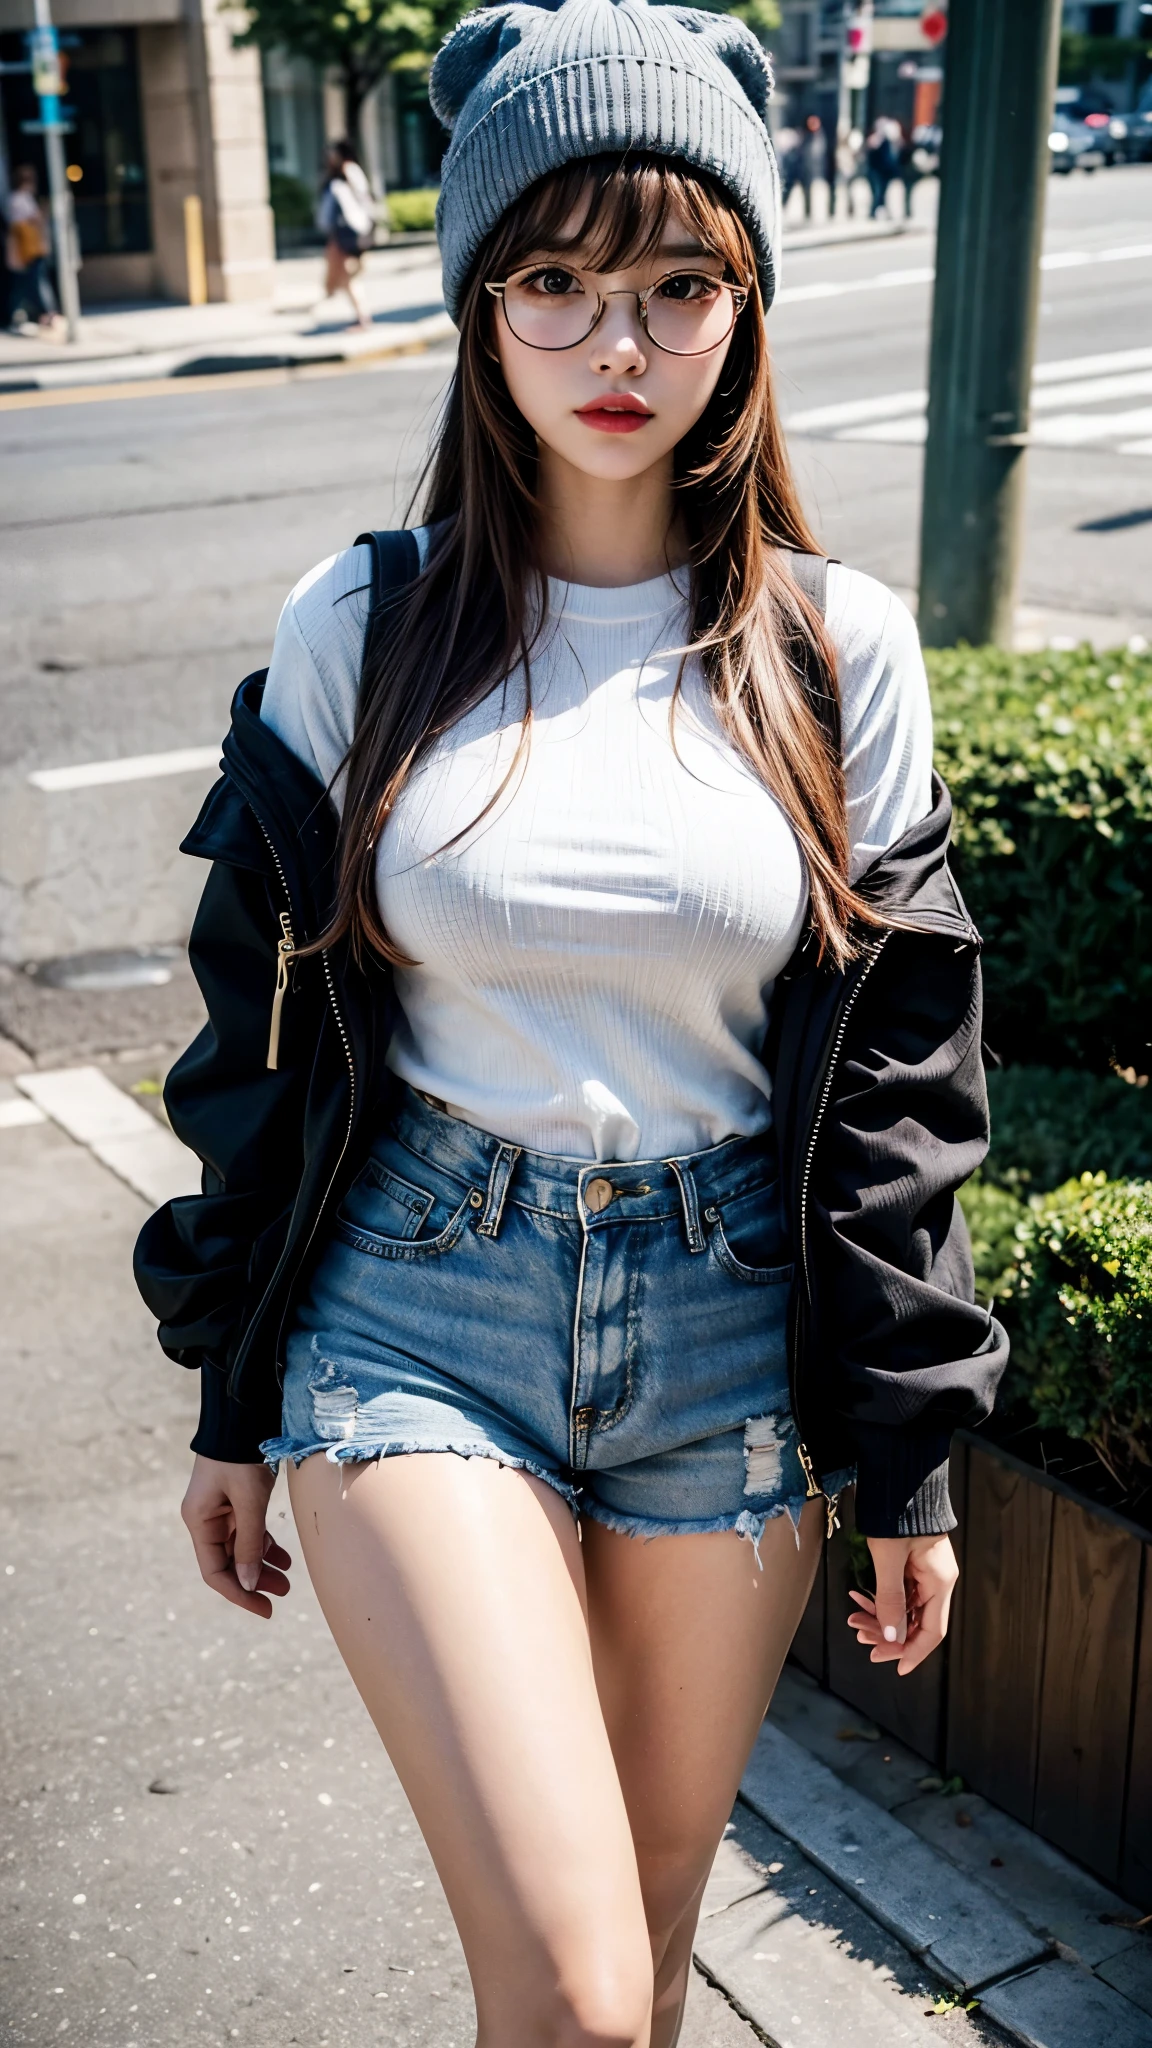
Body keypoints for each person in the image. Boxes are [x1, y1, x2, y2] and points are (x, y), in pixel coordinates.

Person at [134, 0, 1007, 2040]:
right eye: (556, 281)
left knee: (648, 1937)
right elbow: (262, 1032)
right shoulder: (361, 621)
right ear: (477, 307)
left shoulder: (835, 647)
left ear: (746, 307)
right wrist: (229, 1387)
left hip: (730, 1327)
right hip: (419, 1307)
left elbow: (898, 1084)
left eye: (678, 284)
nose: (619, 348)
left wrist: (912, 1457)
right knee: (580, 1988)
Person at [316, 138, 374, 329]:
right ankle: (361, 316)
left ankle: (362, 318)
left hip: (350, 233)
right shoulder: (339, 174)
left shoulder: (348, 170)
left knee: (349, 277)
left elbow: (360, 199)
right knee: (348, 277)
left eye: (333, 154)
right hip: (345, 233)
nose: (330, 158)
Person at [5, 164, 61, 333]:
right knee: (35, 284)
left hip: (26, 251)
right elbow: (35, 220)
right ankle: (46, 314)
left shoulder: (15, 199)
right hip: (29, 250)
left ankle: (24, 316)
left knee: (24, 285)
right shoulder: (20, 199)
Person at [796, 111, 828, 218]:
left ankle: (808, 212)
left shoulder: (818, 135)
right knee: (804, 189)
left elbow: (818, 152)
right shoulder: (804, 134)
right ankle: (807, 211)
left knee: (810, 190)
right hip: (803, 167)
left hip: (812, 167)